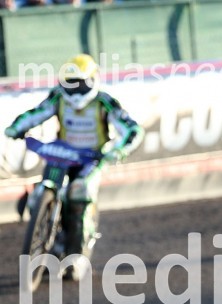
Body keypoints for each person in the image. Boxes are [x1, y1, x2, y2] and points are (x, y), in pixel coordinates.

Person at [5, 54, 143, 279]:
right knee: (38, 194)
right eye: (70, 83)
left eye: (81, 83)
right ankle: (49, 235)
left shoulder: (104, 102)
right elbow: (36, 114)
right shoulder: (58, 97)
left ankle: (77, 255)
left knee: (79, 192)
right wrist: (16, 128)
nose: (76, 90)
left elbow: (132, 129)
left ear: (93, 80)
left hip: (91, 159)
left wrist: (118, 150)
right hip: (61, 155)